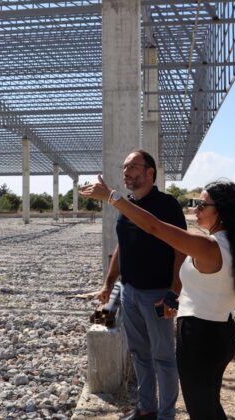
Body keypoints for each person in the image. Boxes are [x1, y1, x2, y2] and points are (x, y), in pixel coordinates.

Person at [82, 177, 235, 420]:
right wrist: (192, 301)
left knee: (201, 410)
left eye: (202, 204)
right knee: (210, 406)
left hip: (199, 337)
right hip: (222, 332)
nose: (195, 208)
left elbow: (154, 227)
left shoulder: (208, 246)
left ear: (222, 211)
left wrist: (112, 197)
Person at [95, 150, 186, 420]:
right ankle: (146, 408)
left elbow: (182, 250)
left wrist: (174, 292)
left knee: (163, 358)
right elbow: (121, 248)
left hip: (157, 294)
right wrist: (109, 283)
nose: (126, 172)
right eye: (124, 167)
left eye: (133, 167)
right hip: (130, 293)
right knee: (139, 354)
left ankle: (166, 415)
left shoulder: (167, 205)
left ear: (150, 172)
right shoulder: (128, 205)